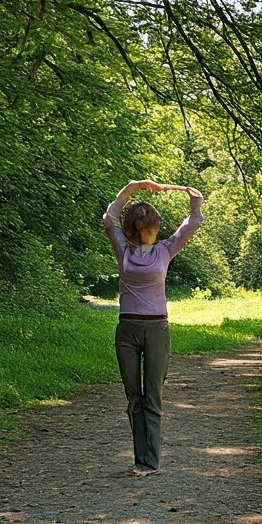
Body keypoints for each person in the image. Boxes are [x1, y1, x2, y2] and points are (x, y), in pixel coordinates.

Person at [101, 179, 204, 476]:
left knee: (153, 397)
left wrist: (193, 198)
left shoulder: (166, 249)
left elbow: (193, 222)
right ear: (136, 229)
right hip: (127, 331)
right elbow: (110, 217)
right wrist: (134, 186)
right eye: (148, 227)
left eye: (155, 227)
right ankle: (139, 459)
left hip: (157, 330)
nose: (154, 231)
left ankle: (150, 462)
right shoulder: (123, 248)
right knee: (134, 398)